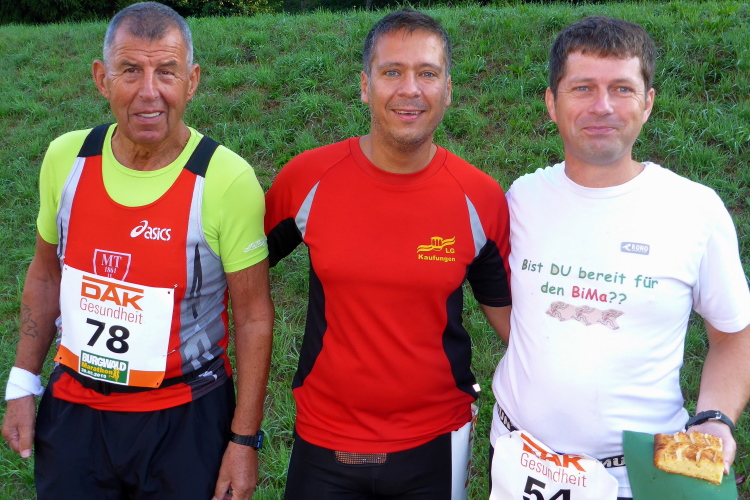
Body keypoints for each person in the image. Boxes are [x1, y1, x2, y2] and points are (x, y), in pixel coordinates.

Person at [1, 3, 273, 499]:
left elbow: (254, 316)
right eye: (130, 70)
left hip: (184, 419)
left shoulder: (226, 179)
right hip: (75, 414)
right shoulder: (67, 158)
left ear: (192, 81)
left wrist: (243, 440)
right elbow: (45, 275)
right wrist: (22, 383)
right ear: (102, 79)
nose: (149, 91)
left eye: (166, 71)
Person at [490, 16, 750, 499]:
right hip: (518, 456)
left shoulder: (695, 210)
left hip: (644, 473)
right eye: (583, 88)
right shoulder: (522, 198)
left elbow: (735, 334)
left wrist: (714, 418)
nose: (602, 106)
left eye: (622, 89)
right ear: (551, 102)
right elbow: (501, 297)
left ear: (647, 103)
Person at [264, 8, 512, 499]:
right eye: (392, 72)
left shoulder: (480, 198)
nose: (410, 89)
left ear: (448, 90)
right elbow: (235, 275)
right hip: (325, 438)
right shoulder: (306, 179)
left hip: (436, 438)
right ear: (365, 85)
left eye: (427, 73)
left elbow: (517, 328)